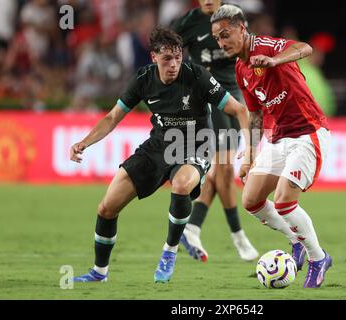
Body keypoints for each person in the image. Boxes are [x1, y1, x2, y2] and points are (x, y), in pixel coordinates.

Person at [70, 27, 251, 283]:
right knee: (107, 208)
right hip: (159, 145)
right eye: (167, 58)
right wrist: (84, 142)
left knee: (181, 185)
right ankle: (99, 272)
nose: (174, 64)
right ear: (153, 56)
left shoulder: (196, 76)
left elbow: (239, 110)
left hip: (197, 144)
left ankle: (169, 251)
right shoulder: (143, 79)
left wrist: (249, 146)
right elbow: (112, 118)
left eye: (178, 57)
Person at [210, 5, 332, 288]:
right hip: (279, 138)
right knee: (251, 200)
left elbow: (305, 48)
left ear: (242, 29)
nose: (222, 42)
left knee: (284, 201)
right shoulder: (241, 69)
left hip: (307, 133)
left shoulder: (266, 45)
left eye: (226, 34)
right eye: (217, 38)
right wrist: (249, 155)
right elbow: (254, 115)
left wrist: (276, 61)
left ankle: (318, 258)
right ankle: (295, 240)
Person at [171, 0, 258, 262]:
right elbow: (170, 57)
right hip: (211, 98)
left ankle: (193, 227)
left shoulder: (235, 16)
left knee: (216, 174)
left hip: (237, 96)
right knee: (225, 170)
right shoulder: (187, 24)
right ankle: (238, 235)